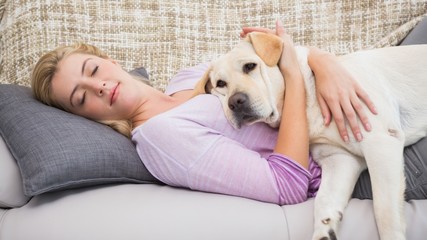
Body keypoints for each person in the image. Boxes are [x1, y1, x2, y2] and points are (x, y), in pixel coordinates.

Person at [31, 20, 426, 204]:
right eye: (82, 99)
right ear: (88, 118)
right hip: (359, 151)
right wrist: (293, 66)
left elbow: (271, 66)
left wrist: (325, 63)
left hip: (363, 93)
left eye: (92, 70)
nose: (97, 86)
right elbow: (286, 184)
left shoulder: (191, 79)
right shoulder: (159, 138)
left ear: (109, 60)